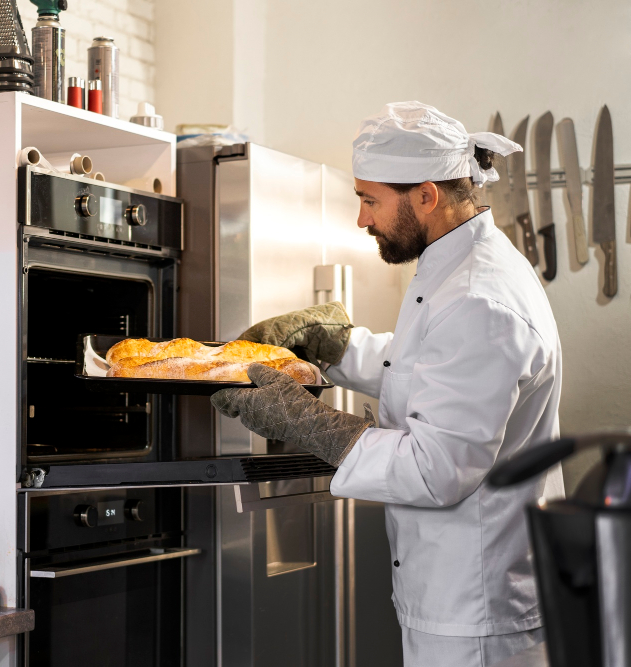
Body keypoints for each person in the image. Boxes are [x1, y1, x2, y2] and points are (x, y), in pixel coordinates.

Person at [211, 101, 564, 667]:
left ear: (427, 195)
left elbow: (435, 467)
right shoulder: (458, 267)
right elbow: (430, 368)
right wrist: (338, 345)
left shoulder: (481, 298)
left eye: (370, 200)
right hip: (456, 596)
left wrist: (308, 422)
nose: (361, 219)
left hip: (477, 612)